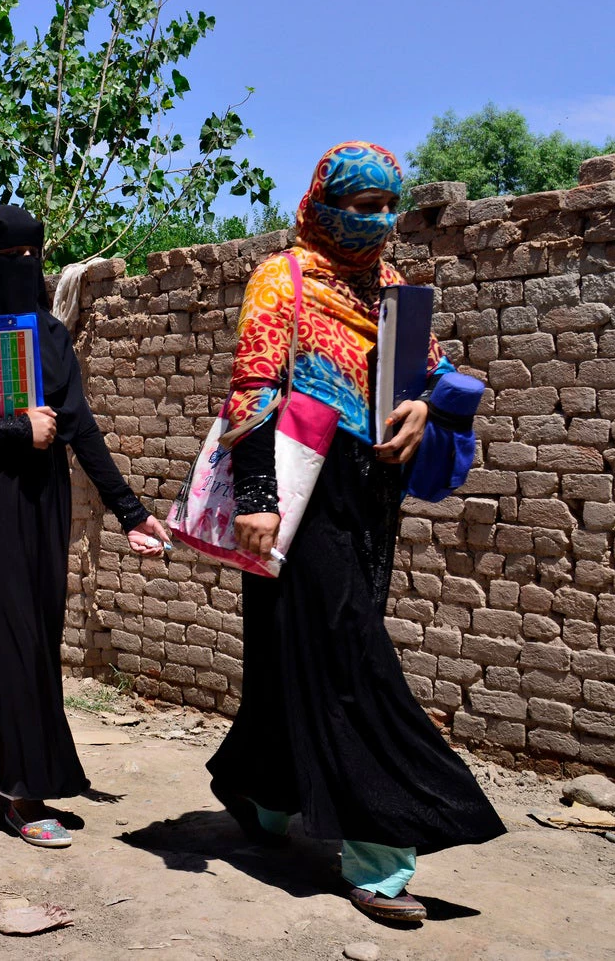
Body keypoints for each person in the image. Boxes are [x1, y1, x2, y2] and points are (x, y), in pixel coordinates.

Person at [205, 142, 505, 922]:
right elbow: (252, 386)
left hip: (373, 494)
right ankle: (382, 850)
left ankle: (261, 790)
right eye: (358, 205)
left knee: (292, 647)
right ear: (321, 201)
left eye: (385, 207)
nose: (374, 221)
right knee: (349, 654)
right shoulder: (283, 278)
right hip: (297, 493)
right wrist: (257, 496)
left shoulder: (395, 289)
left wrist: (428, 405)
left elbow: (429, 374)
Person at [0, 205, 171, 848]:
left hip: (43, 508)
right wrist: (12, 429)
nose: (24, 269)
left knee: (34, 640)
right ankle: (22, 791)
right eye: (10, 259)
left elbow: (81, 429)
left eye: (34, 258)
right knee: (8, 635)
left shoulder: (50, 336)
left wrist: (131, 512)